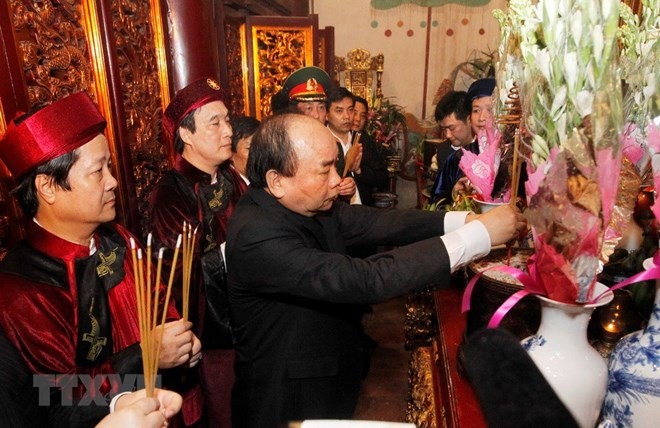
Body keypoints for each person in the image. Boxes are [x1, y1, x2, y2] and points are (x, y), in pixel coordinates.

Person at [225, 113, 526, 426]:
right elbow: (364, 279)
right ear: (277, 181)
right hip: (286, 401)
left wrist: (466, 221)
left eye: (334, 164)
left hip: (329, 375)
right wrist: (479, 236)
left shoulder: (307, 203)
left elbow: (376, 222)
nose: (335, 180)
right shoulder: (255, 235)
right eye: (324, 169)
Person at [0, 92, 202, 426]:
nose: (113, 182)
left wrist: (180, 342)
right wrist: (144, 357)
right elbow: (55, 397)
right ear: (47, 187)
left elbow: (162, 306)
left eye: (109, 166)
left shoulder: (118, 239)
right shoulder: (21, 288)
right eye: (98, 171)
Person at [148, 78, 242, 428]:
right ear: (186, 135)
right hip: (213, 338)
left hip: (250, 324)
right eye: (215, 123)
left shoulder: (232, 178)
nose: (228, 130)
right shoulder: (171, 194)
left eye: (228, 120)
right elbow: (178, 276)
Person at [282, 66, 357, 200]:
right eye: (309, 108)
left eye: (321, 107)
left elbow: (341, 185)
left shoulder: (333, 146)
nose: (316, 115)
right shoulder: (282, 147)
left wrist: (348, 187)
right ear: (293, 112)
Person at [429, 91, 477, 204]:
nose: (447, 135)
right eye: (443, 129)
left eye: (452, 128)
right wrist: (453, 192)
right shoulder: (444, 151)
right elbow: (439, 196)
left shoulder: (485, 149)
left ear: (469, 120)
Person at [325, 86, 363, 205]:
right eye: (339, 111)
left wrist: (358, 171)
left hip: (365, 212)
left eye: (350, 110)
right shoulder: (322, 142)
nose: (347, 116)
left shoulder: (363, 138)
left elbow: (382, 178)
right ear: (326, 115)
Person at [351, 95, 389, 207]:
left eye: (362, 116)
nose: (358, 119)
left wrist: (360, 171)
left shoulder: (367, 141)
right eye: (354, 112)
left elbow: (382, 177)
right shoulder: (332, 137)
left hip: (363, 203)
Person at [230, 115, 260, 189]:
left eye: (262, 148)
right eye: (250, 149)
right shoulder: (229, 190)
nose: (258, 154)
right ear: (230, 153)